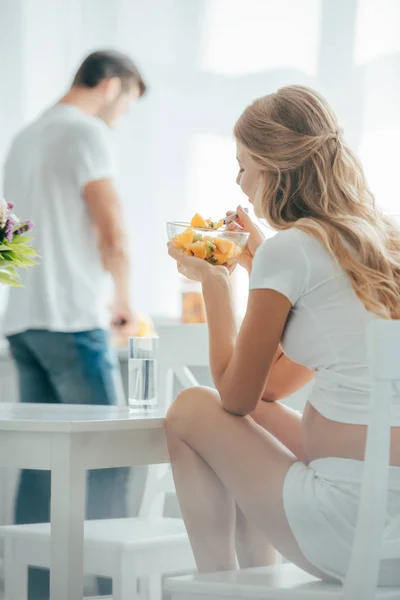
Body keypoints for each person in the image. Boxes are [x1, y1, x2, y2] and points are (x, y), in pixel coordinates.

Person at [166, 85, 400, 585]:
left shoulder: (292, 251)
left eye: (244, 164)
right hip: (392, 521)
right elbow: (265, 395)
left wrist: (215, 280)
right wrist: (258, 267)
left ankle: (219, 582)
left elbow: (233, 396)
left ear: (273, 169)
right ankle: (252, 581)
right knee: (259, 418)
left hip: (348, 522)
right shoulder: (380, 242)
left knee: (191, 407)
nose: (240, 180)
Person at [2, 50, 146, 599]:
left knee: (42, 467)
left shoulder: (24, 137)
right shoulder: (86, 134)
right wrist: (126, 303)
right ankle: (108, 588)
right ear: (111, 85)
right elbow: (113, 231)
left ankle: (33, 590)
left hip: (24, 321)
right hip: (71, 320)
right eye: (128, 102)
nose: (122, 115)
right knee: (110, 460)